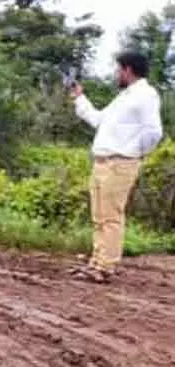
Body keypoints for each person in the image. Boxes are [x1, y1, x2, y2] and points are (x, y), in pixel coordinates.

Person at [70, 52, 163, 283]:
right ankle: (96, 261)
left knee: (111, 216)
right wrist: (79, 99)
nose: (116, 74)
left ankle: (104, 266)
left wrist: (132, 152)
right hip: (103, 162)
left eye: (118, 69)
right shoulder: (124, 97)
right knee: (99, 216)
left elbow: (153, 132)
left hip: (120, 163)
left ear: (128, 70)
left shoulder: (145, 95)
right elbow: (98, 120)